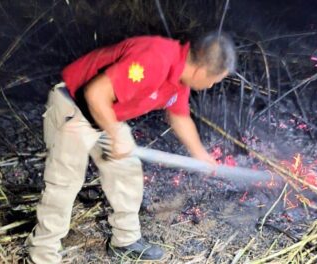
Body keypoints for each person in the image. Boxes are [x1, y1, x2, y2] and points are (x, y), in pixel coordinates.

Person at [26, 31, 236, 263]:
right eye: (215, 80)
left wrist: (200, 155)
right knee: (63, 184)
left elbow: (179, 117)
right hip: (75, 108)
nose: (211, 85)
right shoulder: (155, 58)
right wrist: (116, 135)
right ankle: (41, 255)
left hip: (105, 116)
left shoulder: (180, 78)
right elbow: (95, 93)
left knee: (127, 174)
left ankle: (124, 241)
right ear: (201, 71)